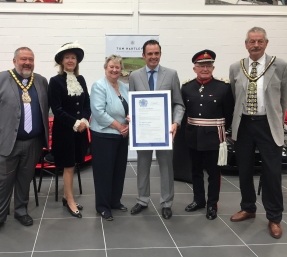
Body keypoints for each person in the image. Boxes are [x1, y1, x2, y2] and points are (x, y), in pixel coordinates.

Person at [0, 47, 49, 236]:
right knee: (2, 182)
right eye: (23, 59)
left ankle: (21, 211)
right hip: (5, 142)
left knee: (25, 180)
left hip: (32, 142)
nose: (27, 63)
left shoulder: (41, 81)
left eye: (31, 59)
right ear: (14, 60)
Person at [229, 27, 286, 239]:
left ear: (266, 43)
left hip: (268, 125)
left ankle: (274, 217)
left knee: (272, 173)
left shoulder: (280, 66)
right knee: (244, 169)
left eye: (260, 41)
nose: (255, 45)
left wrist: (277, 120)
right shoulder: (237, 67)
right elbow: (236, 96)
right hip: (244, 124)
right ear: (246, 44)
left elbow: (283, 98)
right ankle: (248, 207)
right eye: (252, 41)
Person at [129, 40, 185, 219]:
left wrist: (175, 123)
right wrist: (131, 116)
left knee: (166, 167)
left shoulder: (171, 74)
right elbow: (132, 103)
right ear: (143, 56)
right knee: (143, 166)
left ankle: (167, 203)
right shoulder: (134, 76)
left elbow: (179, 104)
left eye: (156, 53)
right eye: (150, 54)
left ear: (160, 54)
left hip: (165, 132)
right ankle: (143, 199)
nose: (153, 57)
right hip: (144, 131)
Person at [181, 50, 234, 220]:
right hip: (193, 135)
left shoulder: (224, 87)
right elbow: (183, 112)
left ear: (213, 67)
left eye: (208, 65)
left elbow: (229, 114)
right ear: (194, 68)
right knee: (195, 171)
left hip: (214, 137)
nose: (205, 68)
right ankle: (198, 200)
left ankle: (212, 203)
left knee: (213, 172)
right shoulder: (187, 87)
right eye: (201, 66)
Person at [48, 41, 91, 218]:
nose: (71, 60)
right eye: (67, 57)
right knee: (68, 165)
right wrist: (75, 122)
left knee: (75, 163)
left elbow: (87, 103)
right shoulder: (55, 81)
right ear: (61, 61)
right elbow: (56, 109)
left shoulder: (80, 79)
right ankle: (70, 201)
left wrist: (84, 121)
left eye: (73, 57)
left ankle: (67, 195)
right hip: (64, 131)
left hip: (80, 130)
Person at [90, 55, 129, 221]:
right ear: (105, 68)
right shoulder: (99, 86)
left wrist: (129, 121)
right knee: (103, 173)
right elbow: (99, 112)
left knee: (118, 171)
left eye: (117, 67)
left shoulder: (124, 87)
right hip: (103, 135)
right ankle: (103, 206)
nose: (114, 70)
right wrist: (120, 126)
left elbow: (128, 108)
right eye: (111, 67)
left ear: (121, 69)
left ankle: (115, 201)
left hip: (121, 136)